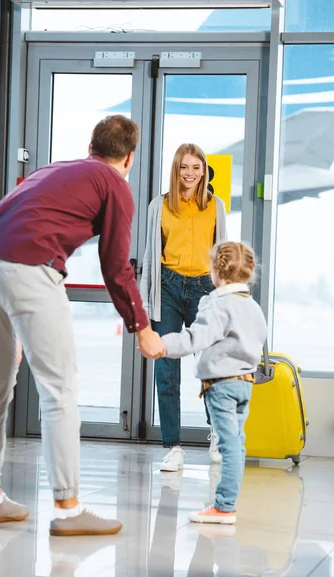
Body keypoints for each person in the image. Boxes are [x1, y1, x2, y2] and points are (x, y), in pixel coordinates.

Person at [0, 114, 166, 536]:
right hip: (26, 265)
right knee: (59, 390)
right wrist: (141, 326)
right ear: (128, 157)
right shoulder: (114, 185)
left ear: (92, 146)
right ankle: (68, 508)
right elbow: (116, 266)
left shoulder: (53, 170)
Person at [160, 241, 267, 524]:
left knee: (229, 446)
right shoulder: (253, 307)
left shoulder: (219, 305)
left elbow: (194, 339)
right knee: (236, 444)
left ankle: (224, 506)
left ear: (217, 273)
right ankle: (226, 503)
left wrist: (162, 345)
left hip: (221, 386)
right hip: (245, 383)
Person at [140, 143, 227, 472]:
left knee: (211, 364)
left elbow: (222, 253)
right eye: (183, 167)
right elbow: (151, 256)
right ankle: (173, 446)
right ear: (176, 170)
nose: (190, 173)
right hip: (169, 288)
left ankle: (217, 432)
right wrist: (146, 300)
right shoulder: (158, 206)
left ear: (204, 170)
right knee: (166, 369)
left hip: (206, 288)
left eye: (196, 167)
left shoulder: (215, 206)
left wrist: (225, 294)